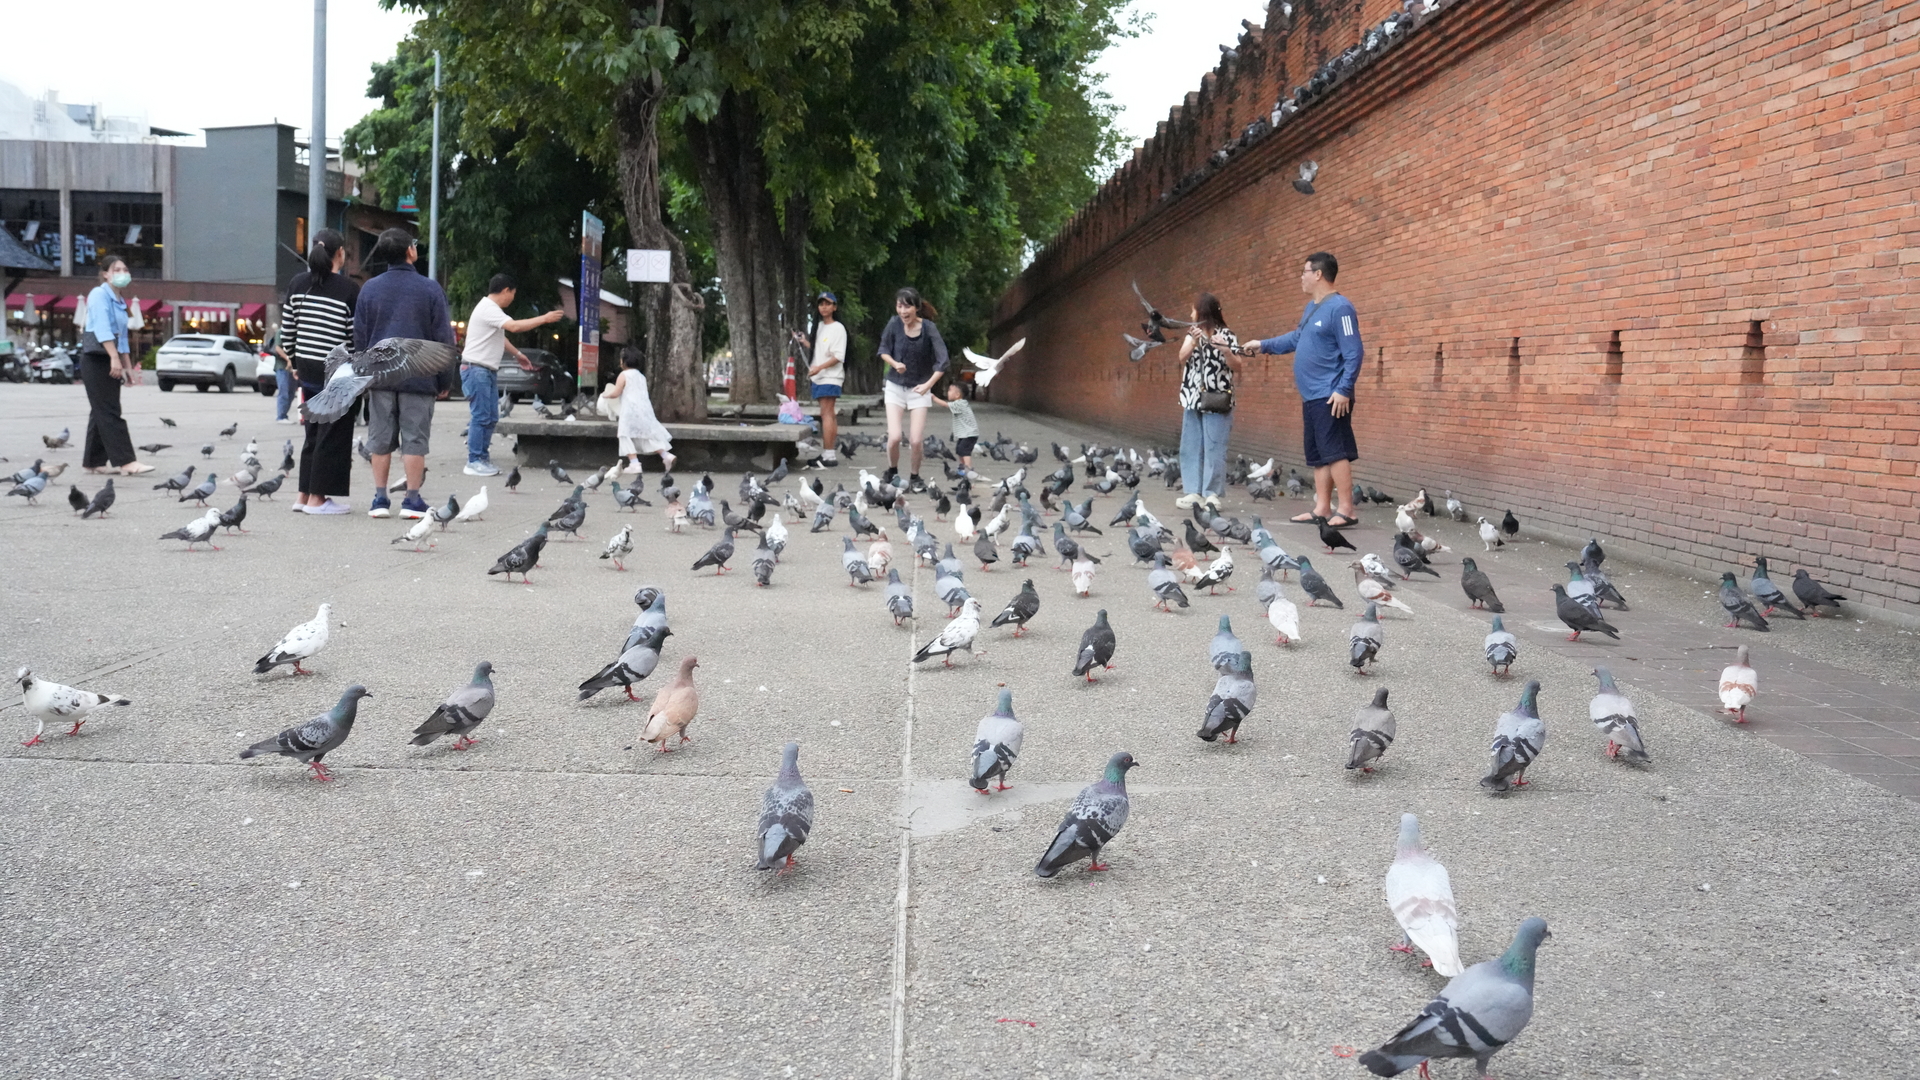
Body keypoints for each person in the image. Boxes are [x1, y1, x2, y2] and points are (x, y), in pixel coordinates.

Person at [1231, 252, 1364, 527]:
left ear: (1318, 274)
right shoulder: (1312, 308)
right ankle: (1322, 509)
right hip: (1312, 395)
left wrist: (1344, 389)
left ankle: (1347, 509)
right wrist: (1263, 345)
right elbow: (1296, 338)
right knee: (1318, 455)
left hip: (1331, 394)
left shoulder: (1341, 308)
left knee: (1335, 452)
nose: (1301, 277)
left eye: (1304, 272)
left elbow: (1354, 352)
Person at [354, 228, 456, 518]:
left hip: (380, 376)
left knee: (379, 439)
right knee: (415, 439)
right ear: (410, 251)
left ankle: (379, 500)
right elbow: (443, 339)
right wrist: (444, 379)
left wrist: (363, 375)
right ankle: (411, 500)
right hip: (420, 376)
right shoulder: (430, 289)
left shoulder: (369, 289)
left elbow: (360, 337)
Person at [281, 229, 360, 513]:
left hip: (307, 370)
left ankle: (303, 495)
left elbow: (287, 333)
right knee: (332, 435)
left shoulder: (297, 283)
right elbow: (352, 338)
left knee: (313, 432)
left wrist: (295, 364)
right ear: (339, 253)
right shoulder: (349, 289)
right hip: (334, 372)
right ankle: (318, 499)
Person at [460, 273, 564, 476]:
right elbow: (514, 327)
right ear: (506, 290)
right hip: (476, 369)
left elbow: (501, 337)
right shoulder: (488, 308)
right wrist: (544, 318)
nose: (513, 299)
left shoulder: (491, 310)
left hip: (485, 370)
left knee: (491, 417)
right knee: (481, 416)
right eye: (513, 294)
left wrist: (518, 354)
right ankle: (474, 460)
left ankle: (482, 458)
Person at [77, 257, 153, 476]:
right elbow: (102, 329)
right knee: (109, 411)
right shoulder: (99, 294)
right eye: (116, 269)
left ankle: (93, 461)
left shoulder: (120, 300)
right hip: (97, 358)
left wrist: (128, 367)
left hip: (111, 357)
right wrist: (114, 358)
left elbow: (123, 337)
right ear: (105, 274)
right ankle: (126, 461)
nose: (122, 273)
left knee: (101, 410)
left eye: (125, 269)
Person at [1174, 292, 1243, 511]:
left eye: (1193, 310)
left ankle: (1212, 494)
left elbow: (1238, 365)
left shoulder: (1227, 335)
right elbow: (1181, 358)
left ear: (1202, 312)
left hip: (1217, 399)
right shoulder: (1192, 334)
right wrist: (1193, 342)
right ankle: (1193, 492)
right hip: (1192, 398)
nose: (1191, 315)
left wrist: (1225, 350)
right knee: (1191, 446)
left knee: (1215, 446)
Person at [876, 287, 948, 493]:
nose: (903, 311)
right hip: (895, 387)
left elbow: (943, 361)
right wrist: (894, 363)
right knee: (895, 437)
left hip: (920, 389)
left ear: (916, 307)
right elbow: (883, 350)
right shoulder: (894, 324)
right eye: (899, 306)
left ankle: (915, 477)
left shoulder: (929, 329)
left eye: (907, 307)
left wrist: (927, 385)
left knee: (916, 440)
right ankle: (892, 471)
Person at [598, 348, 675, 474]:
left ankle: (634, 463)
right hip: (644, 410)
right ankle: (666, 455)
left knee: (624, 435)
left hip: (629, 410)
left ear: (624, 361)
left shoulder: (623, 375)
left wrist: (605, 395)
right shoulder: (641, 376)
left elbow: (616, 393)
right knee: (647, 435)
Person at [794, 291, 846, 468]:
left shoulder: (838, 328)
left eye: (828, 304)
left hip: (830, 377)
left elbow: (838, 356)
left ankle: (829, 455)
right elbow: (819, 350)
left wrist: (819, 368)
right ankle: (828, 453)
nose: (824, 307)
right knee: (827, 414)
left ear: (834, 307)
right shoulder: (819, 327)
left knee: (827, 414)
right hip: (818, 377)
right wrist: (804, 342)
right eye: (821, 304)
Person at [944, 380, 978, 477]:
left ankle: (968, 469)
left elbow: (945, 405)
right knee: (959, 450)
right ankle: (962, 467)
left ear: (957, 395)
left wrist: (933, 397)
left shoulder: (960, 403)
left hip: (969, 434)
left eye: (950, 390)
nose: (948, 392)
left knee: (965, 451)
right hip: (965, 434)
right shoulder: (960, 403)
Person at [269, 325, 297, 424]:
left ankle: (284, 414)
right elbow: (278, 348)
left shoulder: (297, 332)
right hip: (282, 366)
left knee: (291, 393)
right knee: (284, 390)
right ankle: (281, 416)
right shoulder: (281, 331)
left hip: (293, 367)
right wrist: (288, 359)